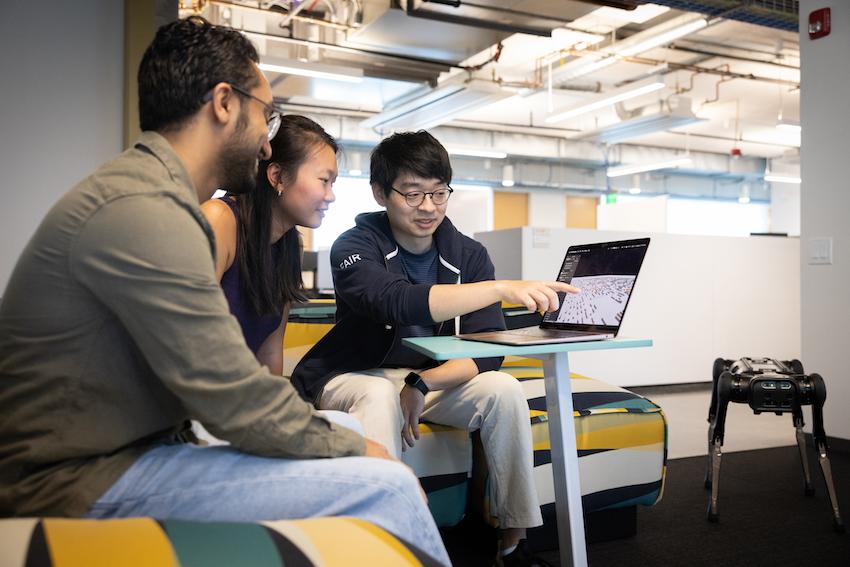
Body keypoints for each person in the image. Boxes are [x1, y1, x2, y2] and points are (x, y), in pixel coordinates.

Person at [0, 17, 449, 565]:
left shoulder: (148, 197)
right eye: (266, 115)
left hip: (128, 453)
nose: (267, 141)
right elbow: (229, 395)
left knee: (355, 455)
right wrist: (363, 449)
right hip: (75, 480)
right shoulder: (146, 212)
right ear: (222, 103)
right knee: (386, 484)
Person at [291, 130, 578, 566]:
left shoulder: (469, 254)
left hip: (423, 379)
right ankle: (385, 547)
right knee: (377, 393)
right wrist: (498, 288)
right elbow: (394, 299)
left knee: (503, 388)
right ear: (380, 193)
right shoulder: (354, 246)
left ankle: (514, 542)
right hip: (354, 375)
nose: (428, 207)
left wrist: (422, 382)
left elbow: (488, 352)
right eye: (412, 193)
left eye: (439, 193)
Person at [200, 114, 337, 376]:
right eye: (324, 180)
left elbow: (270, 351)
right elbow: (189, 338)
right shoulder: (219, 220)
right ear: (277, 176)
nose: (331, 195)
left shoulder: (290, 245)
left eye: (333, 183)